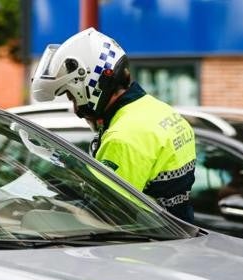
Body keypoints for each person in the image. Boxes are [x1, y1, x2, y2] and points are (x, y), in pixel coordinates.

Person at [31, 28, 197, 222]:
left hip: (140, 246)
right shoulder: (160, 111)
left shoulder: (122, 138)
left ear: (88, 84)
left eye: (71, 96)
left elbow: (106, 214)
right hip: (178, 227)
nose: (76, 109)